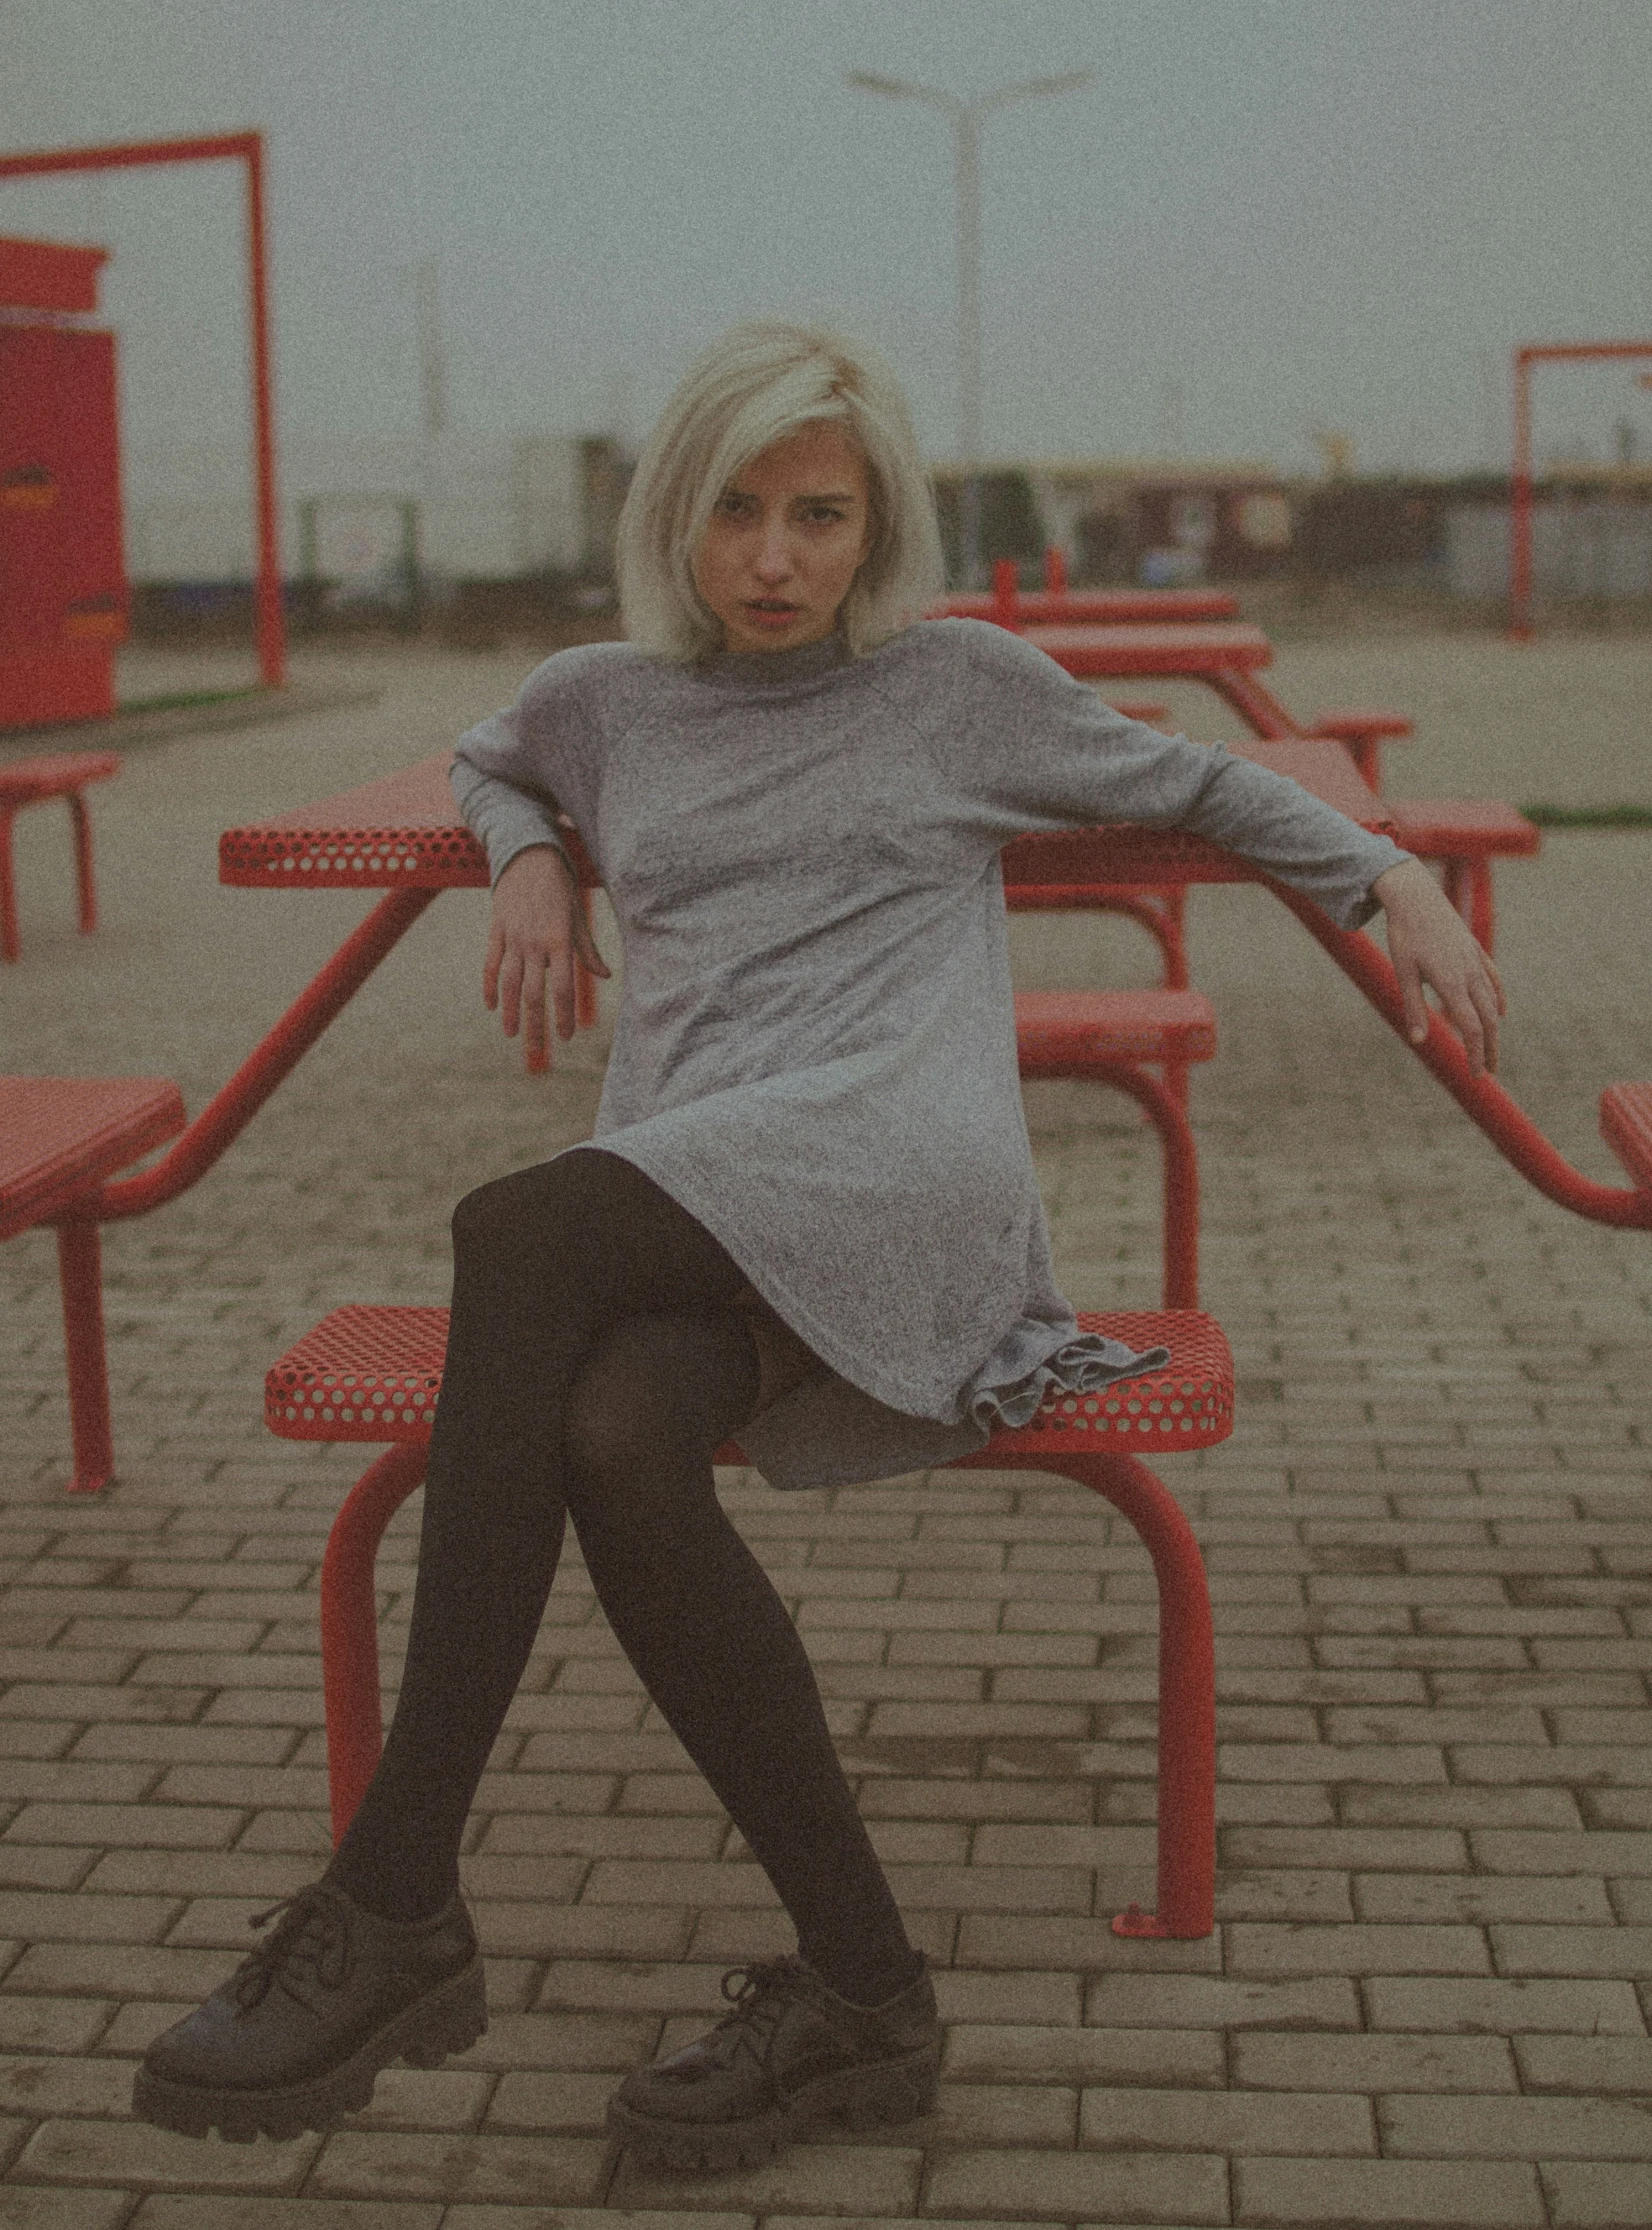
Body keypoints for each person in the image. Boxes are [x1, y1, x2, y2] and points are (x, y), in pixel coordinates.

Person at [134, 323, 1503, 2168]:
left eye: (820, 514)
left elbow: (1197, 783)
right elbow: (487, 757)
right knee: (616, 1432)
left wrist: (1389, 869)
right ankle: (866, 1992)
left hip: (896, 1169)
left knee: (515, 1232)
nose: (775, 557)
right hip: (712, 1181)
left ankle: (393, 1895)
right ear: (674, 520)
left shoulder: (955, 687)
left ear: (877, 529)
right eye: (735, 513)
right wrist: (531, 850)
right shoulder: (601, 698)